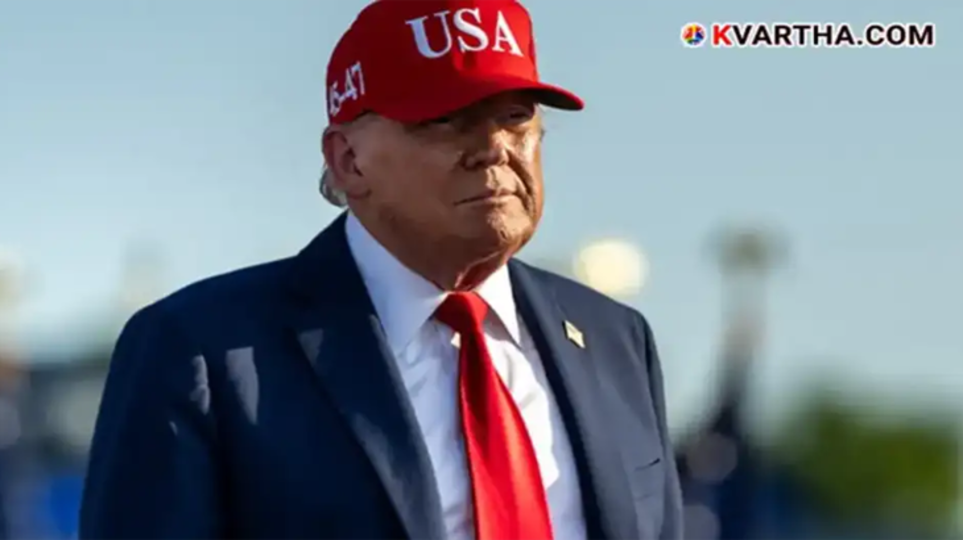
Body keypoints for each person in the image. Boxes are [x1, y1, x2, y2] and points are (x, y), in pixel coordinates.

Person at [79, 0, 683, 538]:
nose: (495, 147)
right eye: (446, 119)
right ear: (348, 161)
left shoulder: (614, 339)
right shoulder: (201, 349)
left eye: (517, 116)